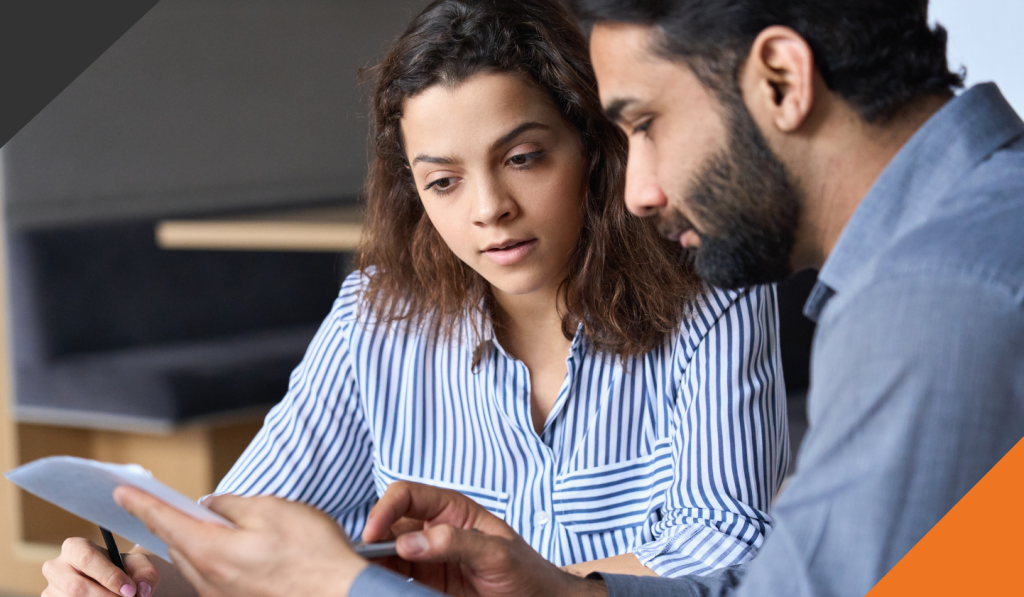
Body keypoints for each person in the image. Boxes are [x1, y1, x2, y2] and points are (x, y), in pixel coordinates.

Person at [108, 0, 1024, 595]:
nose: (640, 187)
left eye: (644, 126)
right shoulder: (965, 243)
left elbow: (758, 570)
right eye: (441, 180)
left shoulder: (932, 303)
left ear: (782, 79)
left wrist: (346, 584)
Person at [41, 1, 791, 596]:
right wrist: (131, 575)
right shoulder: (376, 316)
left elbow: (730, 555)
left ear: (593, 148)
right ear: (415, 193)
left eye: (523, 158)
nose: (489, 207)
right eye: (444, 180)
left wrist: (548, 588)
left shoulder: (711, 296)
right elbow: (246, 527)